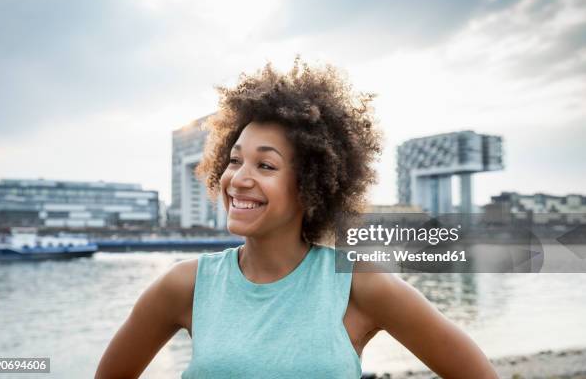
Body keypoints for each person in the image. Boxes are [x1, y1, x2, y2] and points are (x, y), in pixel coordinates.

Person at [95, 59, 498, 378]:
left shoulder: (360, 284)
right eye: (235, 160)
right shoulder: (184, 286)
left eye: (266, 166)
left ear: (310, 183)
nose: (239, 179)